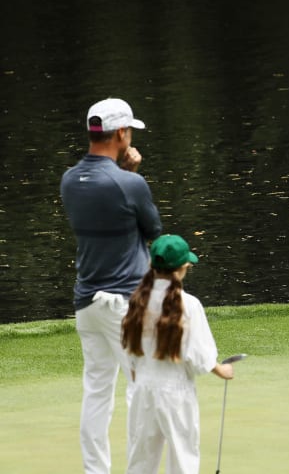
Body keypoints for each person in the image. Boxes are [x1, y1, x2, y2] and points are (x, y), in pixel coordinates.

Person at [60, 97, 163, 474]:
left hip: (86, 303)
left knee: (98, 391)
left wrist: (125, 171)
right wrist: (132, 173)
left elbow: (104, 193)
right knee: (140, 386)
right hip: (126, 302)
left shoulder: (69, 180)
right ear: (121, 133)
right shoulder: (129, 183)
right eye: (129, 130)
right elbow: (153, 232)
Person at [120, 234, 234, 474]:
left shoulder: (137, 300)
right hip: (176, 391)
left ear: (152, 266)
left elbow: (129, 350)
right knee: (184, 458)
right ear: (183, 268)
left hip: (142, 388)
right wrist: (221, 370)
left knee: (140, 460)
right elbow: (199, 356)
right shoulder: (189, 304)